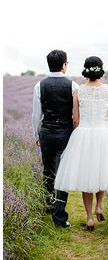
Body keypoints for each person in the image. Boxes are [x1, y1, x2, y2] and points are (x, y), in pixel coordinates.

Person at [54, 56, 108, 231]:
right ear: (100, 69)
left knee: (86, 175)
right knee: (102, 170)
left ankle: (90, 217)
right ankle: (99, 206)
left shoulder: (78, 91)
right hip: (103, 133)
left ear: (85, 69)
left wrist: (78, 131)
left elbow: (75, 120)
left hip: (83, 133)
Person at [33, 49, 79, 228]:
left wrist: (37, 135)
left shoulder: (39, 85)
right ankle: (59, 218)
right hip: (65, 133)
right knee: (63, 175)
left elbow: (36, 115)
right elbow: (76, 115)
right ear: (64, 66)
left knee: (48, 171)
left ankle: (47, 205)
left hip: (46, 131)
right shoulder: (73, 86)